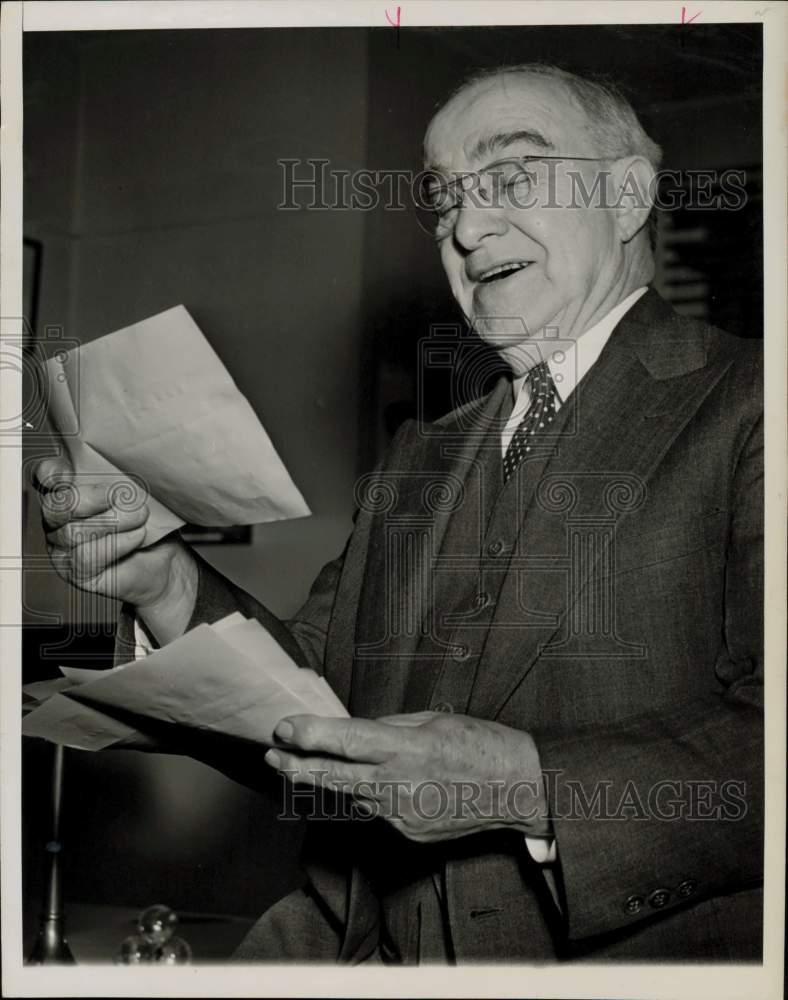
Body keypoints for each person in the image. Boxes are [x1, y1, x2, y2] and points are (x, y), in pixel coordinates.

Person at [34, 64, 763, 963]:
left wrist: (527, 786)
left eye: (509, 179)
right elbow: (307, 705)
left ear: (625, 195)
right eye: (444, 198)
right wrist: (166, 579)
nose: (464, 225)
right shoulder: (421, 455)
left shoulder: (753, 406)